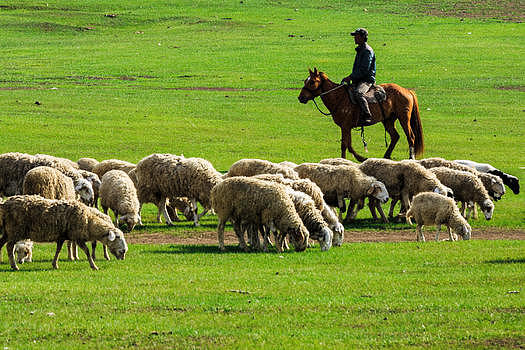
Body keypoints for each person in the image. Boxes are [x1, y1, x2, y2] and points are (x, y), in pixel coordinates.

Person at [341, 28, 376, 125]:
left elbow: (364, 70)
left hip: (366, 80)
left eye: (356, 36)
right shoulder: (360, 50)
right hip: (359, 79)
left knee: (358, 93)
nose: (354, 38)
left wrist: (351, 77)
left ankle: (367, 115)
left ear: (362, 37)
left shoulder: (367, 51)